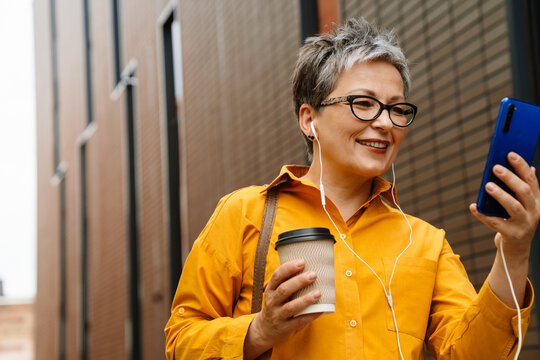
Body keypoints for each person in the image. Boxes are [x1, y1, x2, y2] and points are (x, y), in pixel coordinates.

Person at [165, 18, 538, 359]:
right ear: (309, 119)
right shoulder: (244, 213)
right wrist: (260, 330)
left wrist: (515, 251)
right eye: (363, 103)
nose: (384, 122)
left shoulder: (424, 242)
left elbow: (475, 355)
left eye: (397, 109)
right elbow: (180, 340)